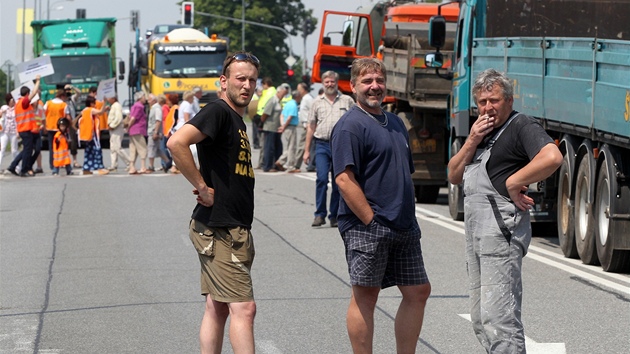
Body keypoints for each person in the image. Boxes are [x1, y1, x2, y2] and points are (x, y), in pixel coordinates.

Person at [447, 69, 562, 353]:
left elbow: (553, 156)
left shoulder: (521, 125)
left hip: (500, 235)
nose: (487, 107)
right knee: (481, 319)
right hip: (476, 236)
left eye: (494, 100)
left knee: (500, 320)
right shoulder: (481, 133)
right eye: (482, 102)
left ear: (509, 100)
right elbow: (453, 174)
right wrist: (472, 140)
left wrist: (515, 181)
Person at [331, 58, 431, 354]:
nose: (374, 86)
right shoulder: (350, 126)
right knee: (366, 296)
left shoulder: (396, 122)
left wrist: (407, 216)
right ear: (353, 87)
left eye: (378, 80)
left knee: (418, 291)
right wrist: (370, 220)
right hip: (369, 227)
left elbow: (402, 171)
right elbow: (344, 180)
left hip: (403, 224)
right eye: (366, 81)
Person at [167, 50, 260, 354]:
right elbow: (176, 143)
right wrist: (201, 186)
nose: (247, 85)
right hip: (220, 227)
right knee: (244, 309)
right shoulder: (218, 111)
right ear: (224, 81)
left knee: (217, 307)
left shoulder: (235, 119)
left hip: (231, 227)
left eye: (252, 80)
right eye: (240, 79)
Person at [304, 71, 354, 227]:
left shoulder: (347, 101)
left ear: (337, 82)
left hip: (341, 145)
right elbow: (311, 127)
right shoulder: (316, 102)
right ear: (322, 83)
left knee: (339, 182)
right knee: (321, 179)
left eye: (332, 81)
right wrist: (306, 151)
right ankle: (319, 214)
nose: (330, 84)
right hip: (322, 145)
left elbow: (355, 123)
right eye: (326, 82)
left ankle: (335, 215)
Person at [7, 75, 41, 177]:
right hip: (26, 130)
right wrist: (38, 81)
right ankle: (24, 170)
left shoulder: (18, 103)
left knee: (26, 150)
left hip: (23, 130)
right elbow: (34, 93)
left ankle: (13, 166)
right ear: (27, 94)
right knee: (28, 151)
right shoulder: (24, 102)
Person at [260, 83, 289, 172]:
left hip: (276, 129)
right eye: (283, 93)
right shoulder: (272, 100)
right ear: (279, 92)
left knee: (278, 147)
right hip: (270, 127)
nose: (284, 96)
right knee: (269, 148)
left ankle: (276, 164)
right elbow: (265, 114)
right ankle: (267, 166)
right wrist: (263, 124)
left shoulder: (278, 101)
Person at [77, 96, 109, 175]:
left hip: (88, 134)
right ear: (91, 103)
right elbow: (100, 112)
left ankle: (87, 168)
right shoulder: (90, 109)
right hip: (93, 134)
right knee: (97, 150)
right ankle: (99, 167)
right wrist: (104, 102)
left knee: (89, 151)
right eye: (94, 103)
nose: (95, 105)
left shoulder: (85, 110)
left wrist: (104, 109)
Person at [288, 82, 313, 173]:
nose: (298, 91)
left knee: (302, 146)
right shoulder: (304, 99)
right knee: (302, 145)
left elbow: (313, 111)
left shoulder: (308, 99)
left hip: (307, 125)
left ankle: (296, 165)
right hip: (304, 125)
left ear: (303, 89)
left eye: (299, 89)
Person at [44, 89, 71, 171]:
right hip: (60, 129)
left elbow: (43, 113)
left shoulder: (48, 103)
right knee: (62, 147)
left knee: (52, 147)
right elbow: (68, 117)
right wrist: (68, 127)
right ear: (62, 96)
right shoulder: (63, 105)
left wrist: (44, 125)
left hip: (50, 127)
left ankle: (52, 165)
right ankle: (62, 163)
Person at [275, 89, 301, 171]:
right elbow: (290, 117)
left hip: (286, 126)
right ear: (297, 96)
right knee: (292, 147)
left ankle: (281, 161)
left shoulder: (288, 104)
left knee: (289, 146)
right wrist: (284, 126)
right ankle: (290, 166)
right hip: (290, 126)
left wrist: (282, 125)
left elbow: (282, 115)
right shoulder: (293, 105)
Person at [146, 93, 170, 172]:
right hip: (154, 131)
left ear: (153, 100)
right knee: (158, 150)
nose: (148, 101)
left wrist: (155, 132)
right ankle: (168, 162)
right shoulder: (155, 108)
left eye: (149, 100)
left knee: (151, 148)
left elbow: (158, 120)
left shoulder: (156, 108)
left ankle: (151, 167)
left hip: (154, 132)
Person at [106, 95, 131, 171]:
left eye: (109, 98)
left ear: (113, 98)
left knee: (117, 147)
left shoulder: (116, 105)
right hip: (114, 128)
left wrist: (112, 125)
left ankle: (129, 162)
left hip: (116, 128)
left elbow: (118, 118)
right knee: (113, 147)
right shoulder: (114, 105)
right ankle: (113, 165)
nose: (108, 99)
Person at [254, 78, 276, 164]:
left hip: (264, 117)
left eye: (263, 85)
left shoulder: (269, 92)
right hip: (264, 116)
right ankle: (263, 161)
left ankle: (263, 161)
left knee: (264, 141)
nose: (262, 87)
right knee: (264, 141)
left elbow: (265, 105)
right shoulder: (270, 92)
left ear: (266, 84)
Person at [127, 91, 149, 174]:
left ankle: (131, 167)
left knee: (133, 149)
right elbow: (133, 118)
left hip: (133, 130)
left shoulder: (134, 106)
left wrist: (129, 127)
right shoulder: (139, 106)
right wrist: (129, 126)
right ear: (140, 98)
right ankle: (143, 167)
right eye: (144, 96)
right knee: (142, 148)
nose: (145, 98)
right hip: (138, 129)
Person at [64, 84, 82, 168]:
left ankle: (75, 161)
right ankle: (64, 161)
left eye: (68, 90)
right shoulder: (62, 100)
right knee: (64, 143)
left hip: (72, 123)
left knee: (73, 143)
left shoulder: (72, 99)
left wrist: (72, 87)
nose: (67, 92)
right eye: (66, 90)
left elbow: (79, 92)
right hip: (63, 124)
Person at [1, 94, 19, 173]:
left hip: (13, 132)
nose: (13, 102)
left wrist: (18, 132)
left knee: (14, 150)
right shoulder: (4, 107)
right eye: (12, 100)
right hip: (4, 132)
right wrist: (2, 112)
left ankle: (17, 167)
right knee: (2, 149)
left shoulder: (16, 109)